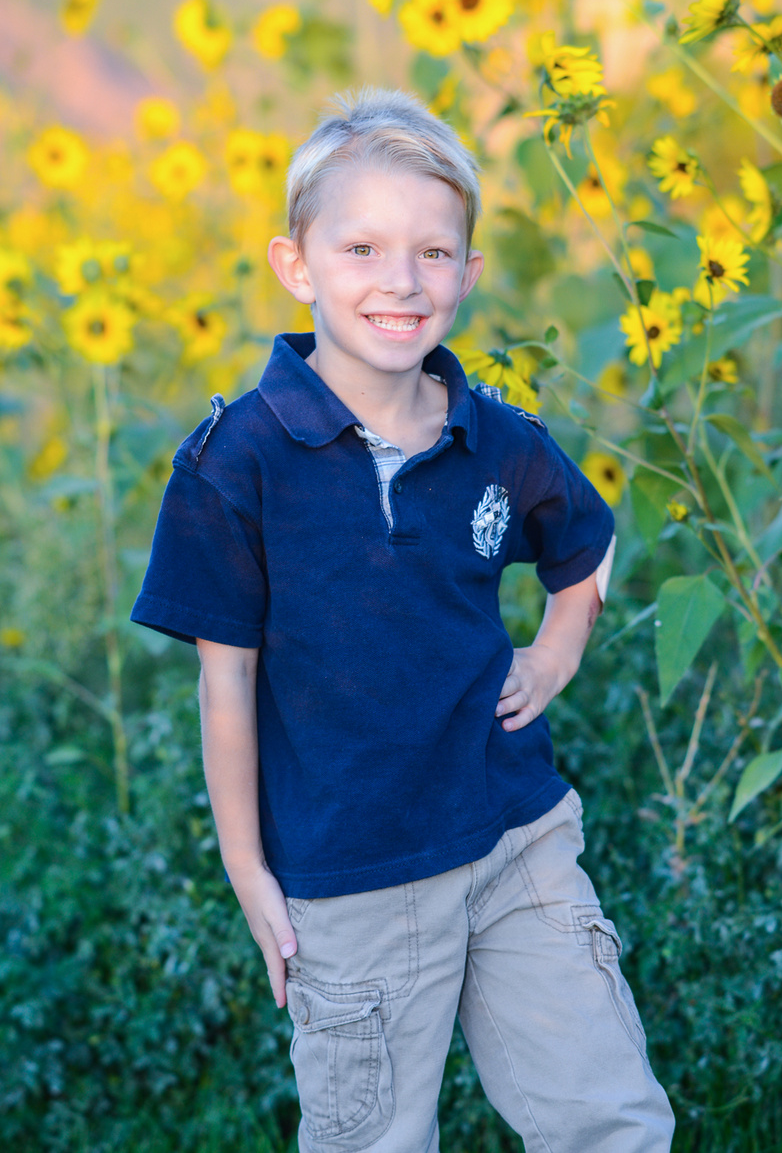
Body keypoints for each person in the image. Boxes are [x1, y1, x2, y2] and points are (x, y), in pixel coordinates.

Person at [131, 85, 675, 1152]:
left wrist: (557, 650)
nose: (400, 280)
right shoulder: (232, 463)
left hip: (515, 839)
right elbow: (224, 681)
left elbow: (588, 542)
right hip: (351, 879)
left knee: (607, 1119)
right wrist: (249, 870)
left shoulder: (497, 438)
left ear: (467, 275)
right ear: (297, 265)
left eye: (433, 253)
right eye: (363, 247)